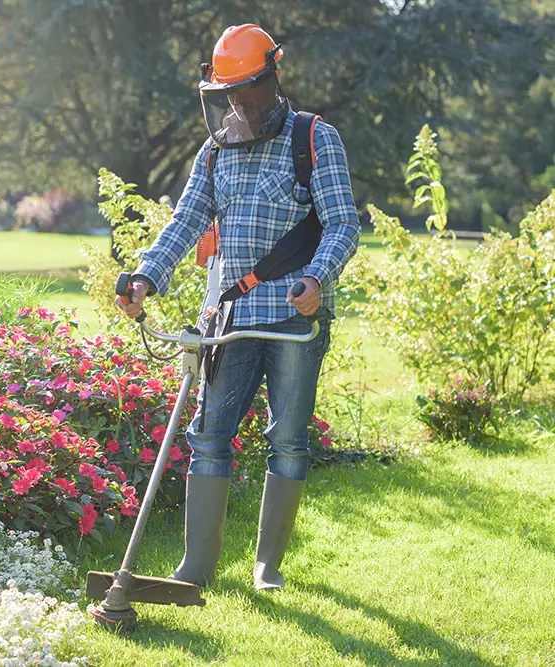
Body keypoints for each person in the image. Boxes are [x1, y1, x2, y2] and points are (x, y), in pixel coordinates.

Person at [118, 24, 360, 590]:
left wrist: (318, 280)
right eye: (227, 92)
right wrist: (146, 277)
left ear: (272, 78)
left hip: (294, 317)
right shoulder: (214, 151)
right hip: (232, 318)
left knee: (288, 439)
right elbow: (185, 222)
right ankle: (195, 568)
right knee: (208, 434)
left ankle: (267, 566)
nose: (237, 102)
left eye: (246, 89)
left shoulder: (314, 138)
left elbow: (343, 223)